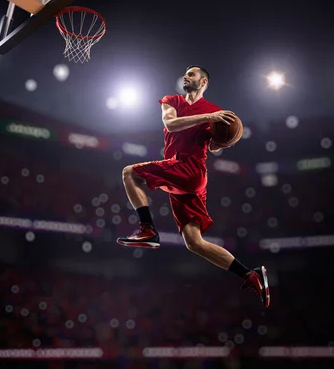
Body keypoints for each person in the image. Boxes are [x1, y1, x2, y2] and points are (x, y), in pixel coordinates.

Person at [116, 65, 270, 308]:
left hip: (190, 169)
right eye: (185, 74)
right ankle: (249, 274)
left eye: (192, 74)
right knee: (194, 242)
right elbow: (171, 124)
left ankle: (147, 229)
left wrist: (225, 138)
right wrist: (209, 118)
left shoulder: (216, 112)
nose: (186, 77)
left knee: (129, 173)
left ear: (204, 82)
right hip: (187, 177)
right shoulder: (173, 100)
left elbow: (216, 146)